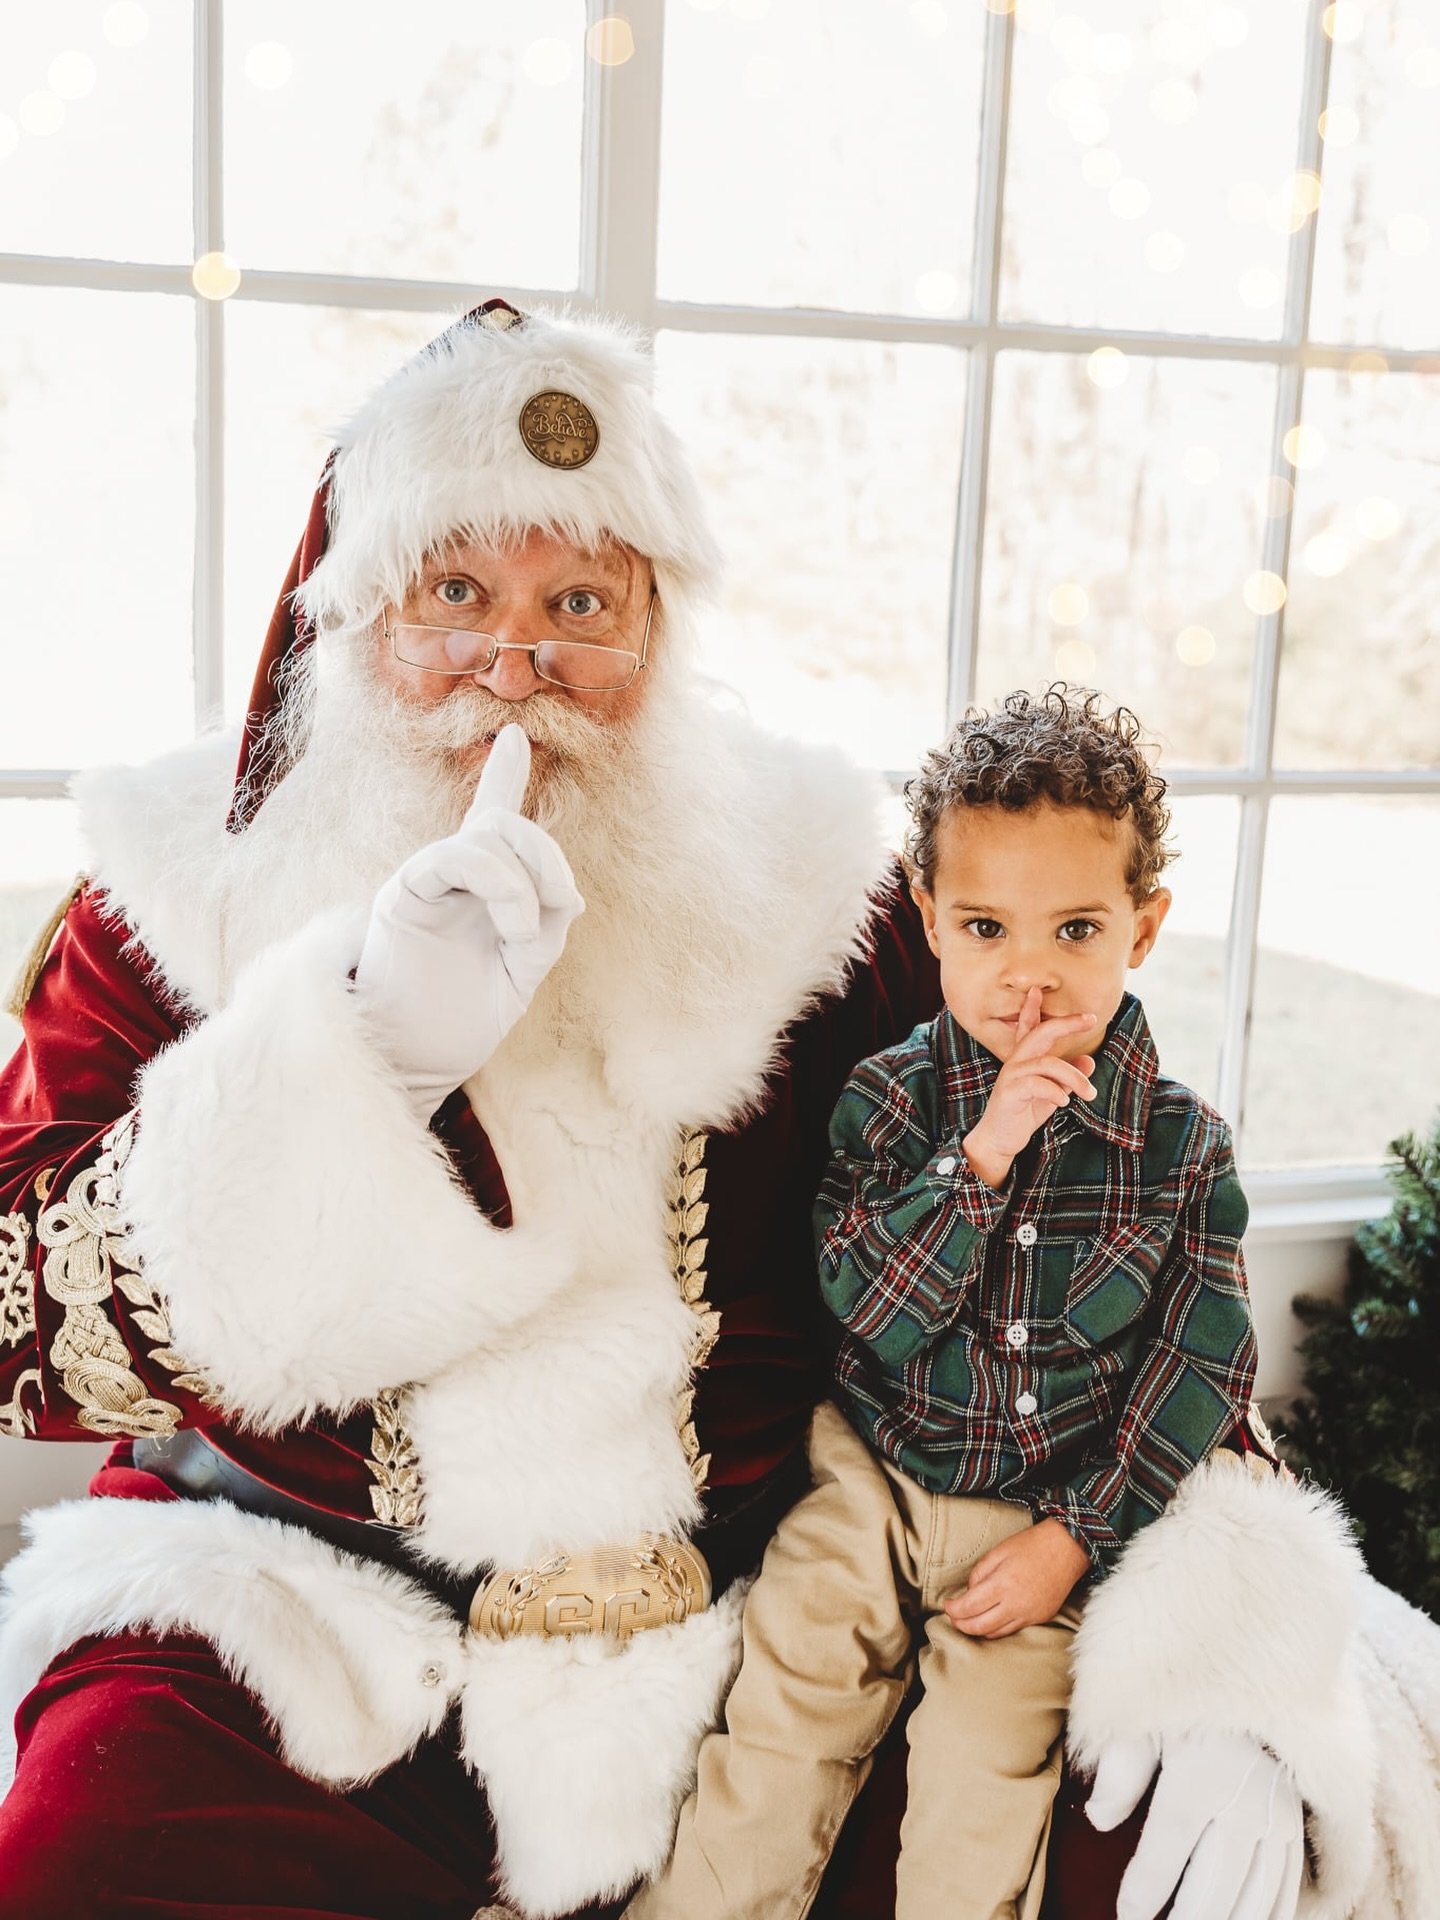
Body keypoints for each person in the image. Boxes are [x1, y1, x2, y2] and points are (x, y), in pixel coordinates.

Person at [0, 300, 1434, 1920]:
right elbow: (20, 1323)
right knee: (89, 1864)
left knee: (1113, 1851)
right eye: (455, 592)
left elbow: (1094, 1238)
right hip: (298, 1613)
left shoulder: (833, 891)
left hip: (766, 1611)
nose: (516, 667)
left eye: (581, 605)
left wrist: (1213, 1645)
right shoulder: (173, 890)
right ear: (353, 617)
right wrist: (351, 1056)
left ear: (661, 628)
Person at [625, 691, 1260, 1920]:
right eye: (985, 926)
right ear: (927, 922)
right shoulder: (889, 1100)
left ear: (1146, 926)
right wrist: (982, 1155)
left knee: (985, 1786)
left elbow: (1203, 1359)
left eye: (1076, 929)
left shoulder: (1180, 1150)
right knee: (783, 1718)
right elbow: (867, 1309)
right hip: (872, 1474)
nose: (1028, 976)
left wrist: (1076, 1537)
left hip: (1041, 1508)